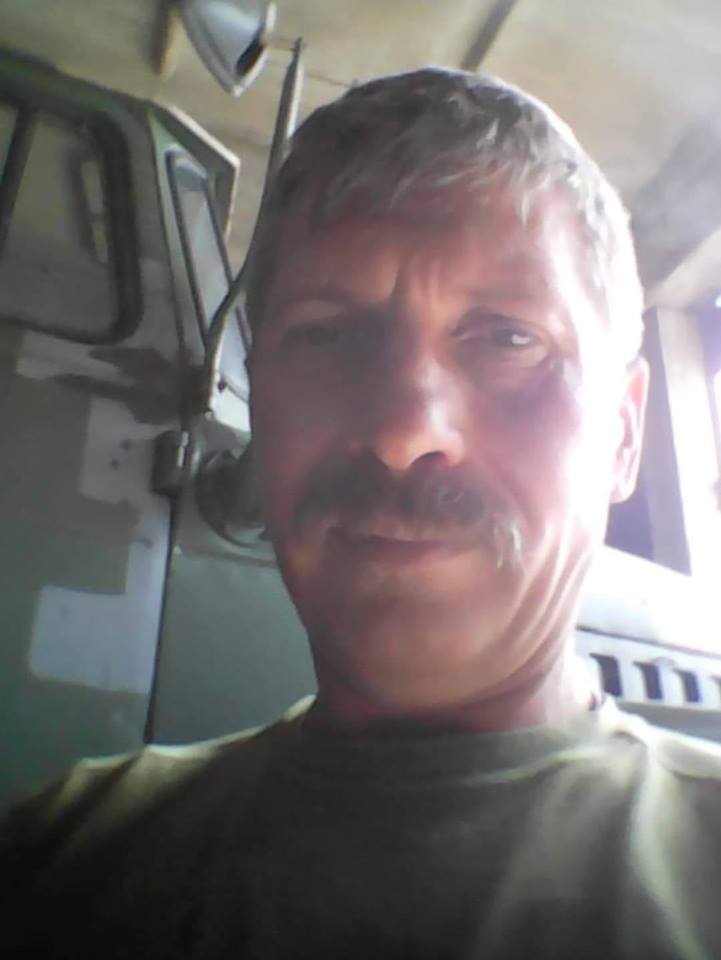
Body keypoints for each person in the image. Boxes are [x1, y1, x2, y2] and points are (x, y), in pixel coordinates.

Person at [3, 67, 721, 960]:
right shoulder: (56, 863)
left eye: (507, 337)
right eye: (326, 333)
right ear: (261, 403)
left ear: (622, 434)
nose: (402, 431)